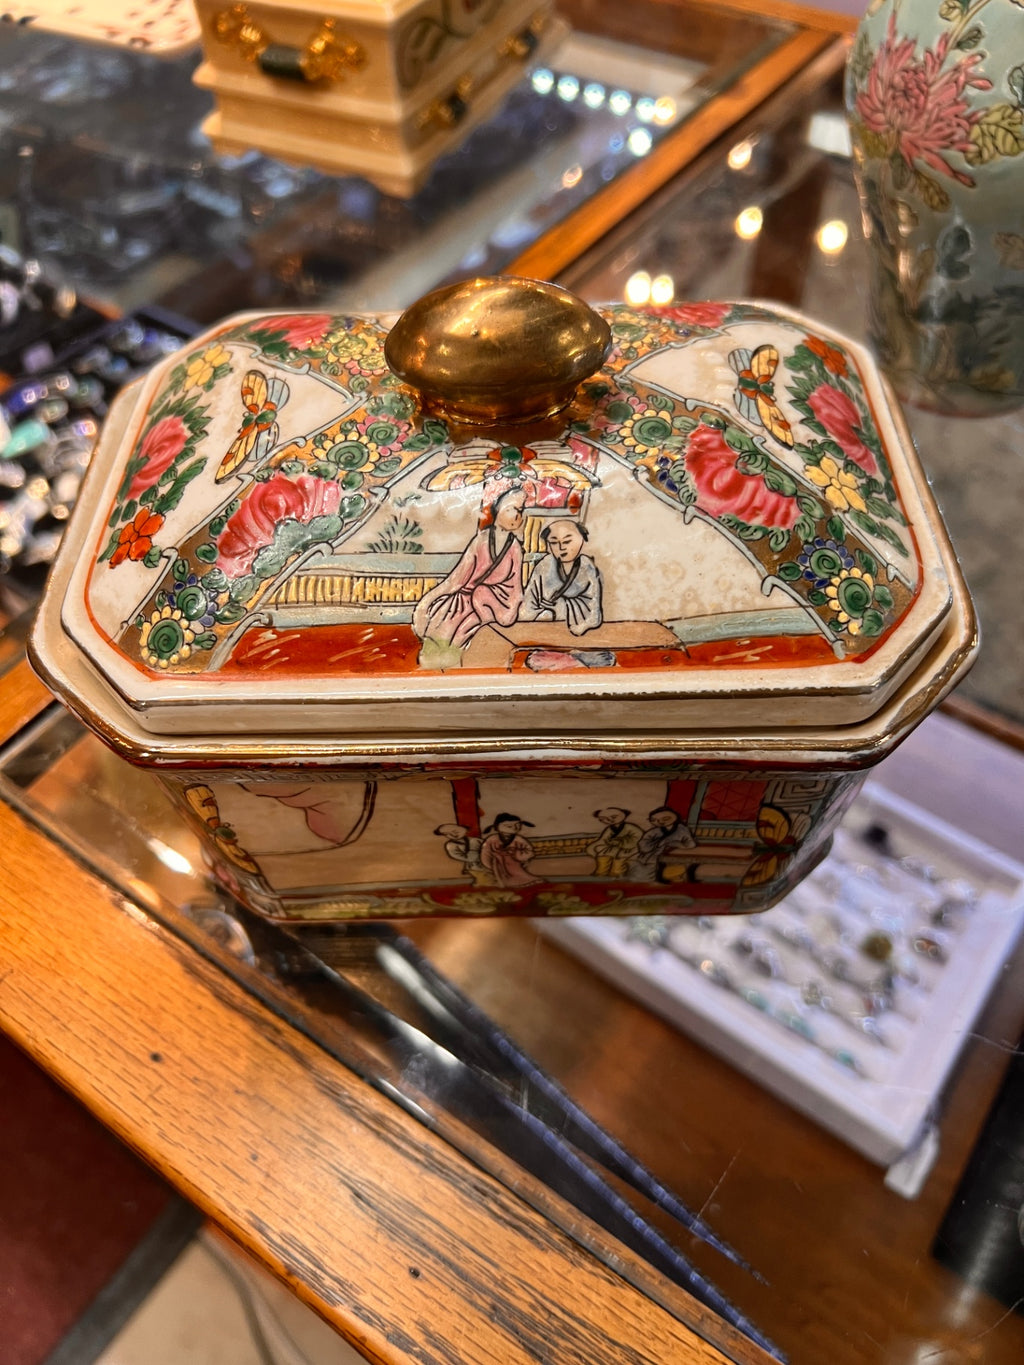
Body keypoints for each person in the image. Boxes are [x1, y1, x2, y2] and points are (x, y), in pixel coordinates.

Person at [413, 487, 527, 665]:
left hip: (497, 604)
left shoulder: (515, 548)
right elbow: (456, 579)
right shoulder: (480, 541)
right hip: (465, 601)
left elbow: (516, 587)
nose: (517, 515)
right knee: (445, 629)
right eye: (511, 509)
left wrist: (512, 608)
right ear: (497, 511)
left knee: (475, 621)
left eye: (520, 510)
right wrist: (427, 601)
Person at [520, 518, 602, 635]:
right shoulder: (545, 564)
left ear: (581, 540)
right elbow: (529, 603)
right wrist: (542, 614)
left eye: (567, 541)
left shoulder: (587, 566)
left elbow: (593, 611)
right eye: (554, 542)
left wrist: (560, 606)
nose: (561, 547)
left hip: (578, 632)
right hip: (543, 629)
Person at [630, 807, 697, 883]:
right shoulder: (654, 831)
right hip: (651, 858)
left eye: (665, 818)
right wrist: (658, 844)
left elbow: (691, 844)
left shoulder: (682, 829)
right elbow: (643, 845)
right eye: (654, 820)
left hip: (673, 857)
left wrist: (675, 844)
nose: (660, 822)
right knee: (643, 876)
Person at [479, 813, 539, 888]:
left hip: (516, 864)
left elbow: (529, 851)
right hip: (498, 865)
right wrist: (490, 866)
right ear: (497, 827)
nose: (514, 828)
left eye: (517, 825)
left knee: (521, 877)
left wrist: (518, 855)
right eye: (509, 826)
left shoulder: (519, 840)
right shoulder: (491, 840)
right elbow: (485, 854)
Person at [586, 807, 643, 877]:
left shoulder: (631, 827)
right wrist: (593, 847)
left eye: (613, 817)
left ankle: (616, 874)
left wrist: (620, 842)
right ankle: (601, 873)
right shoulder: (609, 829)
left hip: (629, 848)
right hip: (614, 848)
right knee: (603, 855)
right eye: (603, 819)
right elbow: (603, 840)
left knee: (619, 861)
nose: (608, 820)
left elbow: (637, 838)